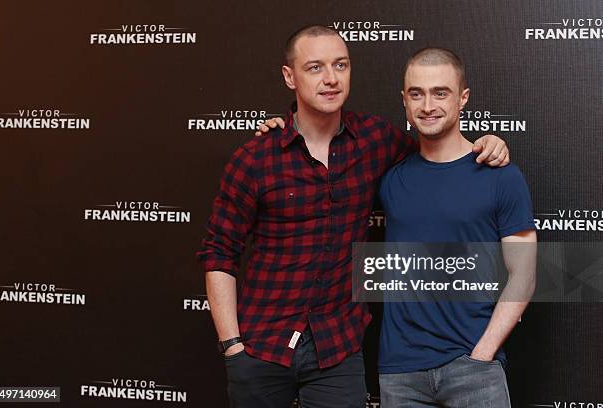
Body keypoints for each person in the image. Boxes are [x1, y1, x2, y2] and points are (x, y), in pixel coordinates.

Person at [197, 25, 508, 408]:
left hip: (337, 350)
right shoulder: (255, 159)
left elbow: (440, 148)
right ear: (289, 77)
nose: (330, 79)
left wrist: (487, 143)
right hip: (262, 346)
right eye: (315, 68)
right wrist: (232, 346)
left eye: (340, 65)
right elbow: (219, 254)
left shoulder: (377, 141)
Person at [377, 47, 537, 407]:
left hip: (475, 368)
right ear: (404, 100)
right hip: (400, 374)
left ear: (463, 98)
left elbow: (524, 275)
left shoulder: (501, 176)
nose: (428, 105)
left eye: (440, 92)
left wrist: (483, 353)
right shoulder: (389, 178)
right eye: (416, 93)